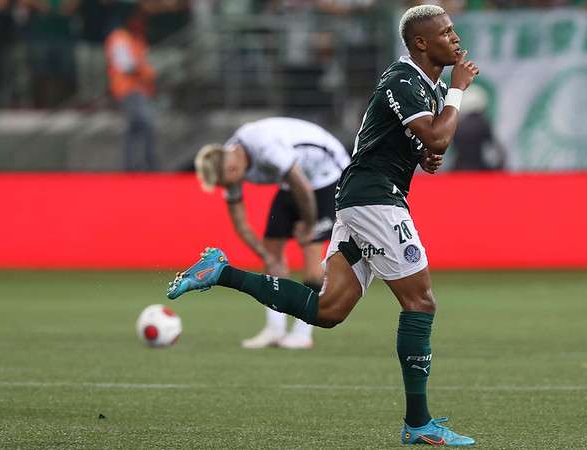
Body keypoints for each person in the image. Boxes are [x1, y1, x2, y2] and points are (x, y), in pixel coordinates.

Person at [167, 4, 479, 446]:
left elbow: (423, 143)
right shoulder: (405, 79)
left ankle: (221, 271)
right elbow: (438, 135)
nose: (455, 38)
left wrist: (426, 153)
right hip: (375, 200)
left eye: (453, 30)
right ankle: (418, 423)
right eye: (446, 33)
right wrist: (458, 92)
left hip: (364, 197)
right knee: (421, 303)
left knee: (328, 311)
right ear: (420, 43)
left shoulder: (424, 87)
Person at [192, 117, 350, 349]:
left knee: (312, 253)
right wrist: (265, 255)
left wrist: (308, 225)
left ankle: (302, 332)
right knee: (272, 249)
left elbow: (304, 187)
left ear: (233, 169)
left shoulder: (267, 149)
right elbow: (240, 221)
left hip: (328, 174)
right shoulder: (228, 160)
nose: (227, 188)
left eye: (225, 183)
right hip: (293, 181)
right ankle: (275, 330)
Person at [104, 4, 156, 171]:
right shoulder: (119, 37)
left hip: (140, 90)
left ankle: (134, 165)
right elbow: (126, 66)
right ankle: (143, 164)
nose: (141, 23)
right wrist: (144, 71)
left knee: (135, 129)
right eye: (137, 19)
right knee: (144, 124)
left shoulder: (137, 39)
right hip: (128, 90)